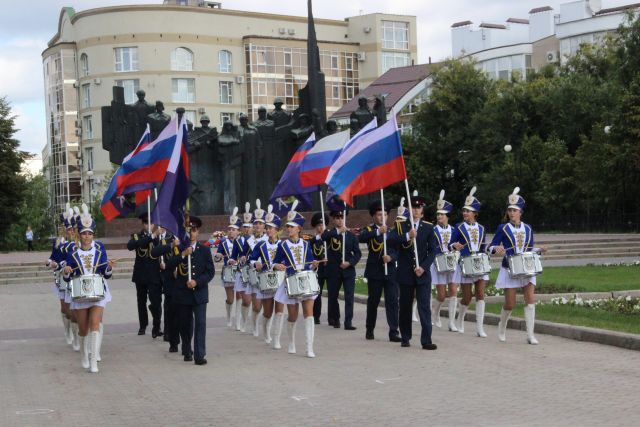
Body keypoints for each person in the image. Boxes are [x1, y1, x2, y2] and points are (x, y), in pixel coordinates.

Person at [489, 187, 545, 344]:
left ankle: (530, 335)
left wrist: (539, 250)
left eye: (515, 210)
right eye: (510, 210)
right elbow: (490, 247)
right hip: (510, 268)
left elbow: (528, 249)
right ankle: (502, 326)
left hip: (527, 268)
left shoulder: (528, 228)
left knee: (530, 299)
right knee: (510, 303)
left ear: (521, 212)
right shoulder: (503, 228)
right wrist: (496, 249)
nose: (512, 213)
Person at [63, 204, 114, 373]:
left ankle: (94, 360)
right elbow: (68, 277)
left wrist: (109, 268)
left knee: (95, 325)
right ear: (79, 235)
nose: (87, 236)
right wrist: (66, 271)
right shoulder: (73, 254)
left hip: (98, 293)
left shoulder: (99, 252)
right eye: (84, 233)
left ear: (93, 235)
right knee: (83, 329)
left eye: (89, 233)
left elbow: (105, 274)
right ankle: (84, 355)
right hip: (80, 295)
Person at [272, 201, 319, 357]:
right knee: (292, 315)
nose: (288, 229)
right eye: (287, 226)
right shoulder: (282, 245)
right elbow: (275, 262)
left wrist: (314, 264)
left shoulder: (306, 244)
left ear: (299, 228)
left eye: (291, 226)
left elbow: (310, 264)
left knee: (309, 313)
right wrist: (277, 266)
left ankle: (309, 347)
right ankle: (291, 342)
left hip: (305, 281)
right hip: (291, 281)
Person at [165, 216, 214, 365]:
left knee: (200, 323)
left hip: (199, 293)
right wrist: (183, 254)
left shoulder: (204, 250)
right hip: (183, 293)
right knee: (185, 323)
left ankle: (200, 354)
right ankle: (187, 350)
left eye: (194, 230)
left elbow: (210, 272)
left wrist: (197, 282)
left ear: (198, 232)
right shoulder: (179, 248)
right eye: (188, 230)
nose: (191, 233)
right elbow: (169, 265)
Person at [394, 191, 438, 350]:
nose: (416, 210)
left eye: (418, 208)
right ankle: (405, 337)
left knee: (424, 306)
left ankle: (426, 340)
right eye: (413, 207)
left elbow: (433, 250)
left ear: (422, 210)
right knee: (405, 306)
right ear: (408, 209)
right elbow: (391, 240)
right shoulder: (401, 226)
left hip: (422, 274)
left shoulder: (428, 227)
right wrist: (407, 235)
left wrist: (423, 267)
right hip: (405, 273)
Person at [359, 200, 401, 342]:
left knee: (392, 301)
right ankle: (369, 329)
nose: (381, 217)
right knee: (373, 302)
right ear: (373, 216)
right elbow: (361, 238)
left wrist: (391, 257)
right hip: (375, 272)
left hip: (390, 271)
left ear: (388, 216)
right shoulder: (370, 230)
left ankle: (394, 331)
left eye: (384, 214)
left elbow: (397, 250)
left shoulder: (392, 232)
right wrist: (378, 231)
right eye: (378, 214)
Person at [450, 187, 489, 337]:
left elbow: (483, 247)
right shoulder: (459, 227)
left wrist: (488, 255)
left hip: (479, 263)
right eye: (464, 210)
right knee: (467, 297)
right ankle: (460, 319)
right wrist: (454, 246)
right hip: (465, 264)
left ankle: (480, 328)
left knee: (480, 294)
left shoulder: (481, 228)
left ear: (475, 213)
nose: (465, 213)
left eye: (468, 210)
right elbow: (450, 244)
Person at [320, 207, 361, 330]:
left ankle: (348, 322)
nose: (340, 220)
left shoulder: (351, 236)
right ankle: (336, 319)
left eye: (342, 217)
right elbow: (323, 237)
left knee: (349, 297)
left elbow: (357, 253)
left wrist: (350, 262)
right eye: (337, 218)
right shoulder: (330, 233)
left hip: (348, 270)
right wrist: (338, 232)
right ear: (333, 220)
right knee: (333, 296)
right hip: (334, 271)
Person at [249, 205, 281, 344]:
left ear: (277, 230)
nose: (268, 230)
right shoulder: (261, 245)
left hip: (280, 281)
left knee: (279, 311)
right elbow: (252, 259)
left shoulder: (283, 244)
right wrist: (255, 263)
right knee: (268, 312)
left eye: (270, 228)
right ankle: (266, 332)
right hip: (266, 281)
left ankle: (277, 338)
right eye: (266, 228)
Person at [127, 213, 163, 337]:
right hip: (141, 274)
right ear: (143, 224)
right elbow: (130, 246)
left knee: (156, 302)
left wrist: (156, 236)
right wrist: (151, 236)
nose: (149, 225)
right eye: (146, 223)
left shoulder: (159, 238)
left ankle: (156, 327)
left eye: (151, 223)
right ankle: (143, 325)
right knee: (141, 302)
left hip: (154, 274)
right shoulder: (137, 236)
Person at [430, 190, 459, 332]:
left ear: (447, 216)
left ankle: (452, 322)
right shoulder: (432, 229)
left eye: (442, 214)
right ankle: (435, 313)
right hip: (438, 264)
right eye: (438, 214)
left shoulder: (454, 230)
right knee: (441, 295)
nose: (439, 216)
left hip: (452, 263)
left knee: (453, 291)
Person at [151, 227, 181, 352]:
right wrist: (170, 245)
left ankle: (171, 333)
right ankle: (161, 328)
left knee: (174, 306)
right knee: (162, 305)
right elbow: (155, 252)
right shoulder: (164, 239)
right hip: (158, 275)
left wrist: (177, 269)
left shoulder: (176, 236)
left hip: (174, 277)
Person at [46, 210, 73, 344]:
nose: (70, 231)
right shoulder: (58, 241)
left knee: (76, 307)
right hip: (61, 275)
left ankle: (76, 332)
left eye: (73, 228)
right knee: (65, 308)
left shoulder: (80, 242)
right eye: (68, 229)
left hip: (75, 276)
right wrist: (50, 262)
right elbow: (53, 256)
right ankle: (67, 330)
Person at [245, 200, 269, 337]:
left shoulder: (269, 238)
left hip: (267, 273)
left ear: (265, 225)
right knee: (256, 306)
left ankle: (266, 330)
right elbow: (246, 256)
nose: (258, 226)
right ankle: (255, 326)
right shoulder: (249, 240)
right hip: (254, 273)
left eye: (260, 223)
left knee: (267, 306)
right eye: (256, 223)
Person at [214, 210, 242, 328]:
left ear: (238, 231)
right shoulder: (223, 242)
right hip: (228, 272)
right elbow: (217, 257)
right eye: (230, 229)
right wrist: (218, 256)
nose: (231, 231)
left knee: (240, 297)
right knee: (230, 299)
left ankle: (239, 321)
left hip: (239, 271)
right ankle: (229, 316)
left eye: (234, 229)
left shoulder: (242, 242)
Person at [230, 203, 253, 332]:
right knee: (245, 300)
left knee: (251, 301)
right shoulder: (238, 241)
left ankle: (245, 322)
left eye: (248, 226)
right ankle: (241, 321)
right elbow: (233, 256)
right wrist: (232, 261)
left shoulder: (256, 240)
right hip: (241, 272)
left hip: (253, 271)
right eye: (244, 226)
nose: (246, 229)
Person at [311, 212, 329, 325]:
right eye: (318, 225)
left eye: (322, 225)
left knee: (333, 294)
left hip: (330, 268)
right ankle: (316, 316)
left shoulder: (330, 237)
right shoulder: (312, 240)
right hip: (318, 269)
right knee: (317, 293)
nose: (320, 227)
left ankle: (333, 318)